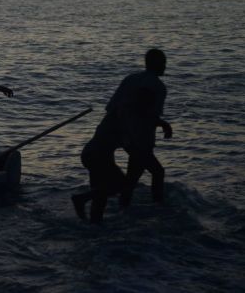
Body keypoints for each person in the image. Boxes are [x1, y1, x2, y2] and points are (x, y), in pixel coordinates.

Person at [71, 49, 172, 223]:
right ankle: (158, 213)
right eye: (163, 62)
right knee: (134, 181)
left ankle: (97, 225)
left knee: (110, 191)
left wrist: (160, 123)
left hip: (98, 146)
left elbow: (118, 109)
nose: (165, 66)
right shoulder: (155, 87)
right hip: (120, 144)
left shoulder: (130, 80)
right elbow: (143, 114)